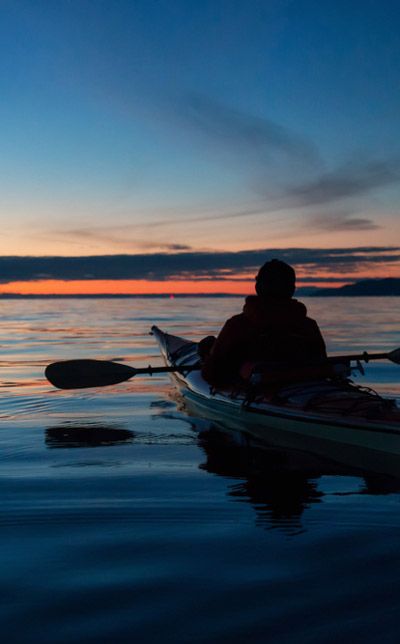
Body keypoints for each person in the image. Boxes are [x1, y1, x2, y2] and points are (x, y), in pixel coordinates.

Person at [201, 259, 329, 389]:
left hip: (255, 392)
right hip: (305, 389)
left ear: (257, 287)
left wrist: (207, 357)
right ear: (292, 289)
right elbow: (322, 365)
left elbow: (211, 374)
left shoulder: (237, 325)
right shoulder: (309, 326)